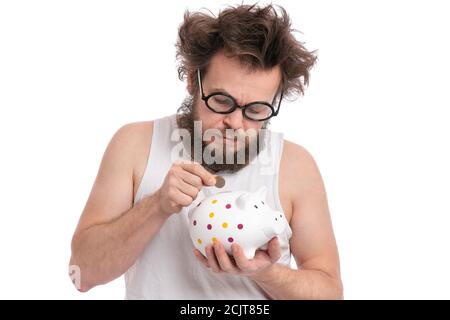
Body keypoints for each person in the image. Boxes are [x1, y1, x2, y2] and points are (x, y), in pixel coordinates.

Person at [69, 4, 343, 299]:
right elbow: (83, 273)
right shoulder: (135, 145)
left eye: (256, 109)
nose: (236, 123)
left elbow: (331, 293)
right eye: (222, 101)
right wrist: (157, 206)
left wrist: (265, 272)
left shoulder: (295, 166)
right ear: (192, 80)